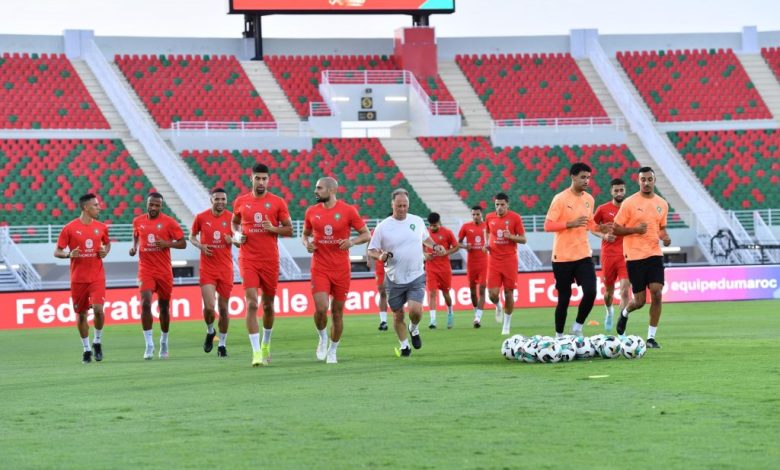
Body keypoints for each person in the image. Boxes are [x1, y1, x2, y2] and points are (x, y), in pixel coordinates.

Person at [367, 188, 445, 357]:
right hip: (394, 278)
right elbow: (371, 250)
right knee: (398, 315)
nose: (402, 209)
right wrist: (380, 256)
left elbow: (425, 238)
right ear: (392, 204)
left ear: (408, 205)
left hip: (416, 275)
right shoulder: (383, 227)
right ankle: (404, 346)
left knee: (415, 311)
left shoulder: (417, 221)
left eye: (405, 205)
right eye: (399, 206)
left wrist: (435, 246)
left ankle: (414, 328)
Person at [302, 177, 371, 364]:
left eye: (319, 188)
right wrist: (307, 244)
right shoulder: (311, 211)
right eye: (316, 188)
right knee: (321, 308)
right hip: (320, 267)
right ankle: (322, 336)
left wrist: (352, 242)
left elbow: (366, 234)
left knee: (337, 313)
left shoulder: (348, 211)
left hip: (341, 270)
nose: (316, 191)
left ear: (332, 190)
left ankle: (333, 350)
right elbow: (305, 235)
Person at [232, 163, 293, 367]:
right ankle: (256, 352)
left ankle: (266, 344)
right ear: (251, 179)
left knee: (268, 305)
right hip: (248, 259)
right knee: (251, 303)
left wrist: (273, 228)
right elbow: (234, 222)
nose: (261, 182)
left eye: (264, 179)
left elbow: (289, 229)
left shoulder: (277, 202)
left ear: (268, 180)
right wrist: (237, 235)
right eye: (257, 178)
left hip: (270, 260)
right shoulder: (241, 201)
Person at [544, 163, 609, 338]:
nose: (586, 181)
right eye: (583, 177)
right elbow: (548, 225)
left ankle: (577, 327)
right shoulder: (560, 198)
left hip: (583, 255)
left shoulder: (589, 199)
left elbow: (590, 224)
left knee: (591, 292)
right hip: (562, 257)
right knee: (564, 299)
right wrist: (569, 224)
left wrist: (602, 231)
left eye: (588, 177)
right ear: (573, 176)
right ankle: (559, 336)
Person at [613, 167, 671, 348]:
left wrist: (665, 237)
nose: (646, 182)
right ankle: (625, 313)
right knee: (639, 302)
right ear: (638, 181)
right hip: (634, 256)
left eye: (649, 179)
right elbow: (616, 229)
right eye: (643, 179)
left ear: (654, 181)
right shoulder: (629, 203)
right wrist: (635, 230)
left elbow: (661, 228)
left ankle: (651, 338)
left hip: (654, 254)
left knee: (657, 293)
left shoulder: (662, 203)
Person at [54, 193, 111, 364]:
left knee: (99, 310)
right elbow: (57, 251)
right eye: (96, 205)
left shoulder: (101, 227)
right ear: (86, 207)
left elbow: (107, 244)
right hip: (78, 279)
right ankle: (86, 349)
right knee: (81, 315)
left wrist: (105, 251)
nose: (99, 208)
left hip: (97, 277)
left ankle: (97, 342)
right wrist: (69, 254)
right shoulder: (69, 228)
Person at [129, 192, 186, 360]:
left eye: (157, 205)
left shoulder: (169, 222)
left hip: (164, 271)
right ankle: (149, 345)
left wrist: (167, 243)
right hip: (145, 269)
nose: (153, 207)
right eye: (151, 204)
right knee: (145, 303)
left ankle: (164, 341)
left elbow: (183, 243)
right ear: (147, 204)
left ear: (161, 206)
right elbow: (136, 235)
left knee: (164, 307)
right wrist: (134, 247)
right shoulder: (138, 221)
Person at [190, 188, 234, 358]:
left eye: (223, 199)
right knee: (209, 308)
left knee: (223, 309)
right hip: (207, 269)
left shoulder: (232, 218)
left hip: (225, 270)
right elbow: (192, 237)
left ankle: (222, 344)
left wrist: (234, 239)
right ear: (211, 200)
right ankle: (210, 331)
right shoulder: (201, 217)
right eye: (217, 199)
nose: (220, 202)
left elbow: (241, 239)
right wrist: (200, 246)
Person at [484, 193, 526, 335]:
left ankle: (506, 326)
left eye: (502, 205)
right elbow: (487, 231)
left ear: (507, 205)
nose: (499, 207)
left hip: (509, 260)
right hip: (493, 260)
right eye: (497, 205)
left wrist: (511, 237)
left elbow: (523, 239)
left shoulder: (515, 218)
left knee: (509, 293)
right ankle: (498, 305)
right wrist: (486, 243)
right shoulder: (489, 217)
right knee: (492, 294)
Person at [592, 178, 630, 332]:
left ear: (625, 190)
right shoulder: (602, 209)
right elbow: (592, 227)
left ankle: (622, 327)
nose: (619, 193)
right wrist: (604, 236)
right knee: (609, 292)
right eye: (616, 190)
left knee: (625, 291)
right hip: (608, 255)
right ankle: (609, 311)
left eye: (621, 190)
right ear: (611, 191)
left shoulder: (630, 208)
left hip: (626, 255)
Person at [424, 212, 459, 329]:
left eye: (435, 225)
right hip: (431, 268)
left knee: (445, 293)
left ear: (439, 223)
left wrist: (446, 252)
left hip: (444, 269)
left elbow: (456, 246)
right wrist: (425, 255)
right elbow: (419, 248)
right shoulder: (425, 234)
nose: (432, 228)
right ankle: (433, 320)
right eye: (431, 225)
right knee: (432, 293)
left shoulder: (447, 232)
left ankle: (450, 312)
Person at [458, 205, 488, 328]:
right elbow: (458, 243)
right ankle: (476, 312)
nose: (475, 217)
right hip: (471, 263)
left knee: (482, 290)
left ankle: (478, 318)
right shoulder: (466, 227)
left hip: (484, 262)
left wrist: (488, 246)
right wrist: (466, 246)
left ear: (482, 214)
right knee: (472, 292)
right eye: (473, 215)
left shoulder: (487, 226)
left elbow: (493, 241)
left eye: (477, 214)